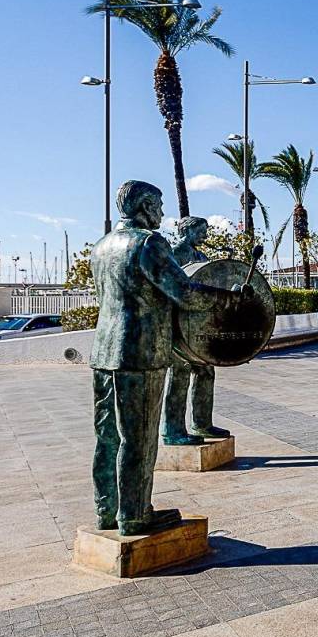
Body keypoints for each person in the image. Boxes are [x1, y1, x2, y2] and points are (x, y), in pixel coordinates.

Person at [89, 181, 246, 536]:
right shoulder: (148, 243)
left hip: (103, 352)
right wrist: (226, 298)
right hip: (140, 352)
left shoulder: (102, 246)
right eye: (158, 206)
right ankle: (134, 515)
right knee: (139, 438)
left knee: (107, 437)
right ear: (145, 206)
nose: (162, 213)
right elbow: (184, 293)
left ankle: (107, 510)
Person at [161, 216, 231, 447]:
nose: (205, 236)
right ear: (186, 231)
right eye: (200, 231)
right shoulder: (174, 254)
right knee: (179, 376)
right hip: (178, 327)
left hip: (198, 326)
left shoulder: (200, 256)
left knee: (206, 371)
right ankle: (172, 430)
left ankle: (202, 423)